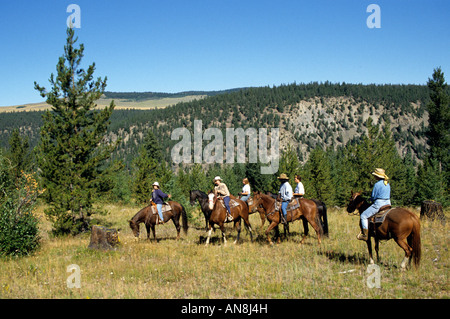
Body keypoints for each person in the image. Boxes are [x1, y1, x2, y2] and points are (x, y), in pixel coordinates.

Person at [357, 168, 391, 241]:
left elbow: (373, 196)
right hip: (388, 203)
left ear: (378, 176)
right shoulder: (387, 183)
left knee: (363, 216)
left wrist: (370, 199)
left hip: (379, 204)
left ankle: (365, 235)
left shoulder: (377, 184)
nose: (374, 177)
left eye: (375, 175)